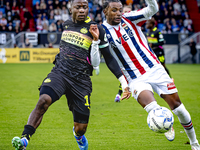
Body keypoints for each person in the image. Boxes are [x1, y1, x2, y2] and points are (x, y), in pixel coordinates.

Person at [11, 0, 131, 150]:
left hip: (81, 81)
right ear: (71, 8)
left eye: (85, 7)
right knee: (44, 100)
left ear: (88, 9)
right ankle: (24, 139)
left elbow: (107, 59)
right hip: (60, 73)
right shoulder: (66, 24)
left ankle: (78, 136)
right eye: (78, 7)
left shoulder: (96, 28)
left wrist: (124, 83)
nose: (82, 10)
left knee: (81, 127)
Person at [102, 0, 200, 149]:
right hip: (134, 78)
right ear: (105, 12)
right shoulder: (102, 31)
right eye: (114, 10)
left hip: (155, 69)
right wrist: (123, 82)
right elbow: (107, 59)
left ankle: (194, 143)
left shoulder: (129, 18)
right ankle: (165, 122)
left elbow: (153, 8)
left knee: (178, 108)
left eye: (120, 10)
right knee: (152, 107)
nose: (119, 13)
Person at [114, 4, 132, 102]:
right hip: (122, 56)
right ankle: (119, 93)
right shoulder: (115, 26)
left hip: (133, 56)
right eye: (124, 12)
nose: (125, 14)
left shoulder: (132, 25)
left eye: (128, 12)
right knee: (124, 75)